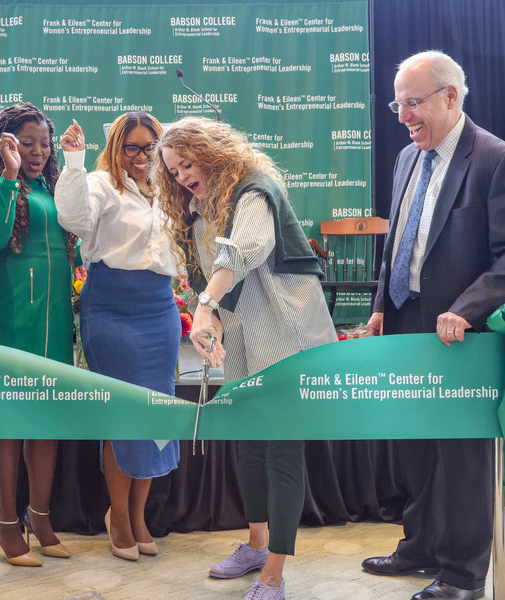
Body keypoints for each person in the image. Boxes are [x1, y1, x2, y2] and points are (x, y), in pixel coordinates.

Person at [360, 50, 505, 600]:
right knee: (415, 446)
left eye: (413, 103)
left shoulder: (498, 159)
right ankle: (419, 548)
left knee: (462, 458)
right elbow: (398, 244)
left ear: (450, 96)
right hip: (406, 323)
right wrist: (381, 304)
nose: (403, 116)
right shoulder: (406, 158)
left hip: (461, 336)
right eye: (397, 104)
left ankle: (463, 576)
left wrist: (467, 308)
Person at [155, 116, 337, 600]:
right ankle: (257, 545)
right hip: (240, 336)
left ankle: (274, 571)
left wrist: (205, 305)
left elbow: (242, 252)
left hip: (286, 331)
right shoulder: (197, 209)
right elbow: (209, 278)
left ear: (211, 153)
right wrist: (210, 322)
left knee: (282, 448)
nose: (182, 177)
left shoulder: (254, 188)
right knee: (250, 442)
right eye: (173, 171)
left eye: (187, 164)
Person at [56, 112, 181, 561]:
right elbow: (73, 219)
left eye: (150, 147)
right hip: (111, 306)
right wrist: (74, 162)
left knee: (154, 415)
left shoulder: (170, 189)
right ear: (116, 148)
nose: (142, 156)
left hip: (159, 307)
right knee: (122, 415)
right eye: (132, 147)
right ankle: (120, 517)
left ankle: (138, 514)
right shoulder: (100, 184)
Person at [0, 103, 75, 566]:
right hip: (9, 308)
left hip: (53, 312)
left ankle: (40, 516)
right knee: (9, 418)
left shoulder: (52, 186)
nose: (37, 152)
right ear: (5, 144)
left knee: (46, 418)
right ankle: (7, 522)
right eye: (26, 143)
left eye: (44, 144)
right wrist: (10, 176)